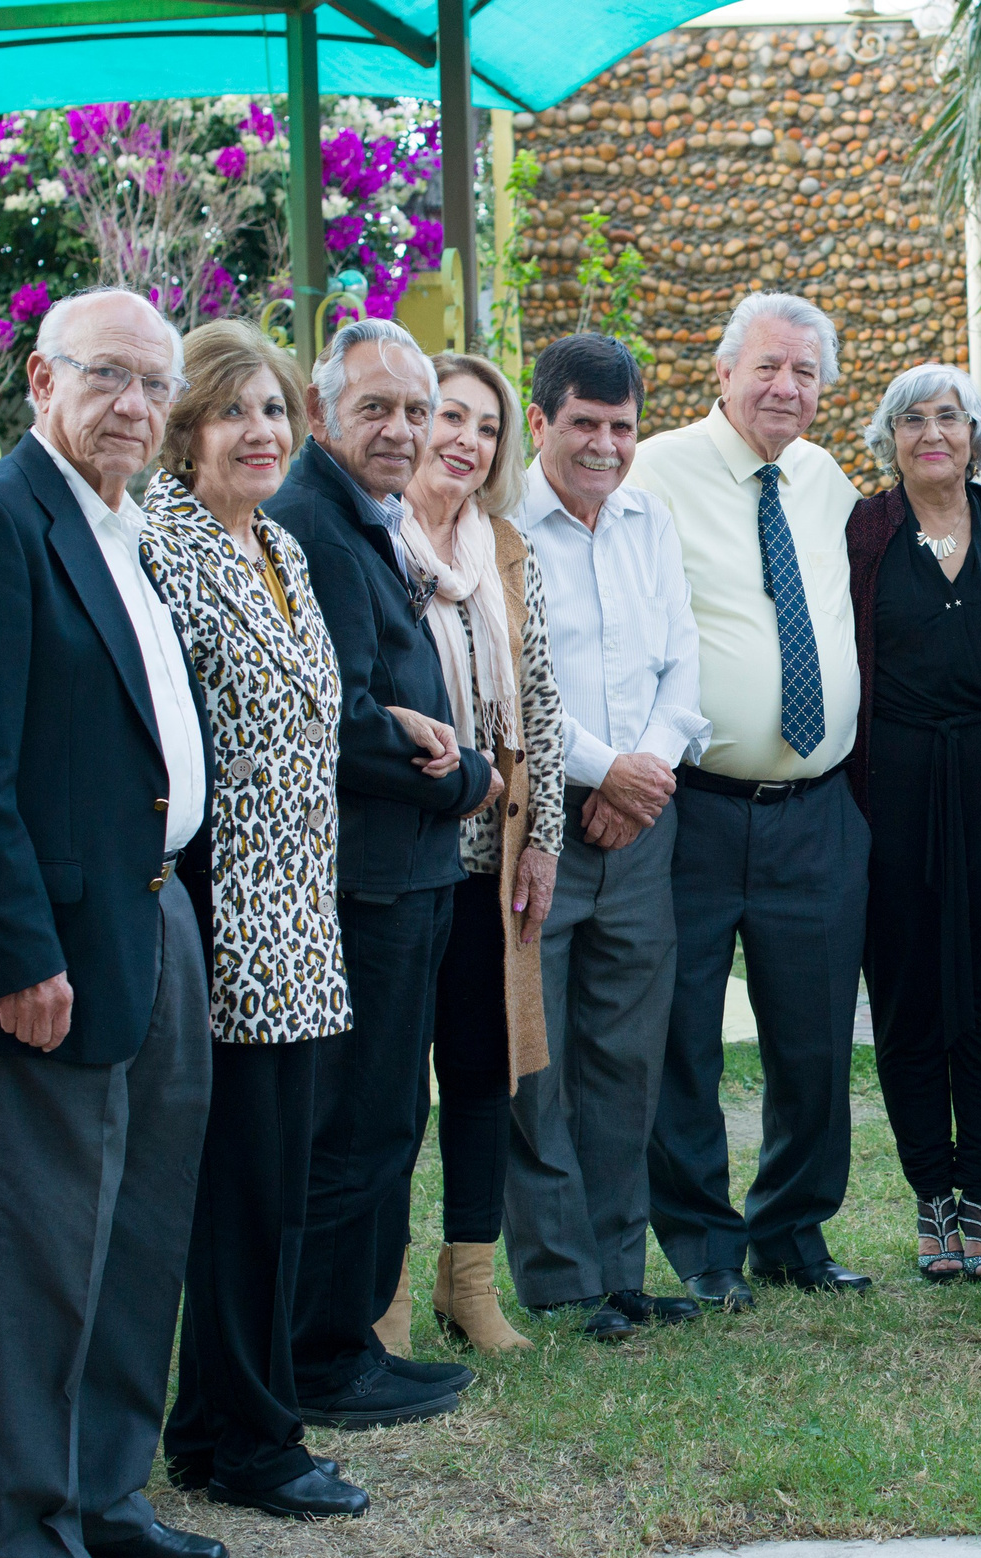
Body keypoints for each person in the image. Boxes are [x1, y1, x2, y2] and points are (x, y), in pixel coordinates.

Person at [0, 288, 222, 1558]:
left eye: (156, 387)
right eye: (110, 379)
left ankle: (101, 1492)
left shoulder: (121, 524)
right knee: (47, 1262)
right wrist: (17, 954)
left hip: (153, 923)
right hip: (52, 957)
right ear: (43, 379)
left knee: (141, 1236)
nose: (137, 407)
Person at [143, 319, 368, 1521]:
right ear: (187, 431)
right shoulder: (166, 546)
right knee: (243, 1188)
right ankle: (257, 1440)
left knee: (271, 1180)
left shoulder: (280, 541)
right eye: (235, 411)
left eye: (276, 410)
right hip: (223, 908)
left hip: (301, 910)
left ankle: (207, 1421)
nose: (262, 431)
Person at [268, 318, 497, 1426]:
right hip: (364, 884)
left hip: (399, 876)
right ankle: (323, 1359)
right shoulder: (315, 521)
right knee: (356, 1126)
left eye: (417, 408)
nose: (403, 429)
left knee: (385, 1116)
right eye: (377, 408)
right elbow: (348, 724)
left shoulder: (364, 516)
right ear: (322, 415)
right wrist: (467, 779)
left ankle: (349, 1336)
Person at [624, 293, 871, 1306]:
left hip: (816, 808)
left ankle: (793, 1231)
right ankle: (703, 1248)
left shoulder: (824, 481)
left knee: (812, 1035)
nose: (785, 387)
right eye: (767, 366)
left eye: (806, 373)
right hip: (693, 805)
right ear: (720, 373)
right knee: (681, 1036)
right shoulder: (654, 472)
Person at [508, 333, 711, 1341]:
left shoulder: (645, 522)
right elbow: (509, 686)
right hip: (534, 829)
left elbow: (684, 665)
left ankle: (620, 1271)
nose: (604, 446)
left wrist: (647, 773)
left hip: (640, 831)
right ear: (540, 422)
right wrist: (605, 770)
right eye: (584, 424)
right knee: (533, 1061)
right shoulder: (501, 529)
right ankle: (558, 1278)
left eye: (621, 426)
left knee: (624, 1058)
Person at [847, 363, 981, 1283]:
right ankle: (932, 1196)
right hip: (896, 784)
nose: (934, 432)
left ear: (977, 435)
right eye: (914, 418)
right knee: (908, 990)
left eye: (951, 418)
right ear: (889, 436)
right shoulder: (866, 532)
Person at [397, 349, 578, 1353]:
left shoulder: (503, 546)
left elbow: (542, 704)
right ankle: (377, 1296)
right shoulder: (370, 540)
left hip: (488, 855)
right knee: (385, 1087)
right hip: (391, 855)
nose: (466, 439)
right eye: (448, 416)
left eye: (485, 425)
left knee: (481, 1072)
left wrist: (542, 840)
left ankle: (468, 1283)